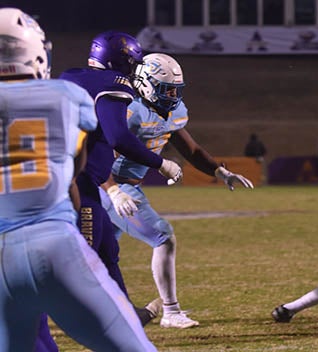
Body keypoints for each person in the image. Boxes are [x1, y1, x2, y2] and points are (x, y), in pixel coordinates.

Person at [0, 8, 156, 351]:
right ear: (36, 51)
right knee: (129, 343)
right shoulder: (66, 97)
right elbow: (75, 169)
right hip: (52, 241)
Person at [101, 53, 254, 329]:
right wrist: (112, 190)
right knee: (163, 236)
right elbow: (98, 157)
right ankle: (171, 312)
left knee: (99, 256)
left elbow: (191, 150)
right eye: (166, 89)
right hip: (110, 186)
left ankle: (115, 315)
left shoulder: (170, 111)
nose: (172, 95)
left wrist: (220, 171)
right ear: (146, 84)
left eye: (175, 89)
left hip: (124, 187)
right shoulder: (130, 110)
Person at [59, 31, 183, 323]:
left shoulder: (70, 75)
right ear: (120, 61)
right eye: (131, 61)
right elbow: (118, 137)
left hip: (73, 177)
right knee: (84, 257)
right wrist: (160, 163)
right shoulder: (113, 84)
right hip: (77, 183)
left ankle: (125, 314)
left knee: (107, 249)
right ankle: (62, 319)